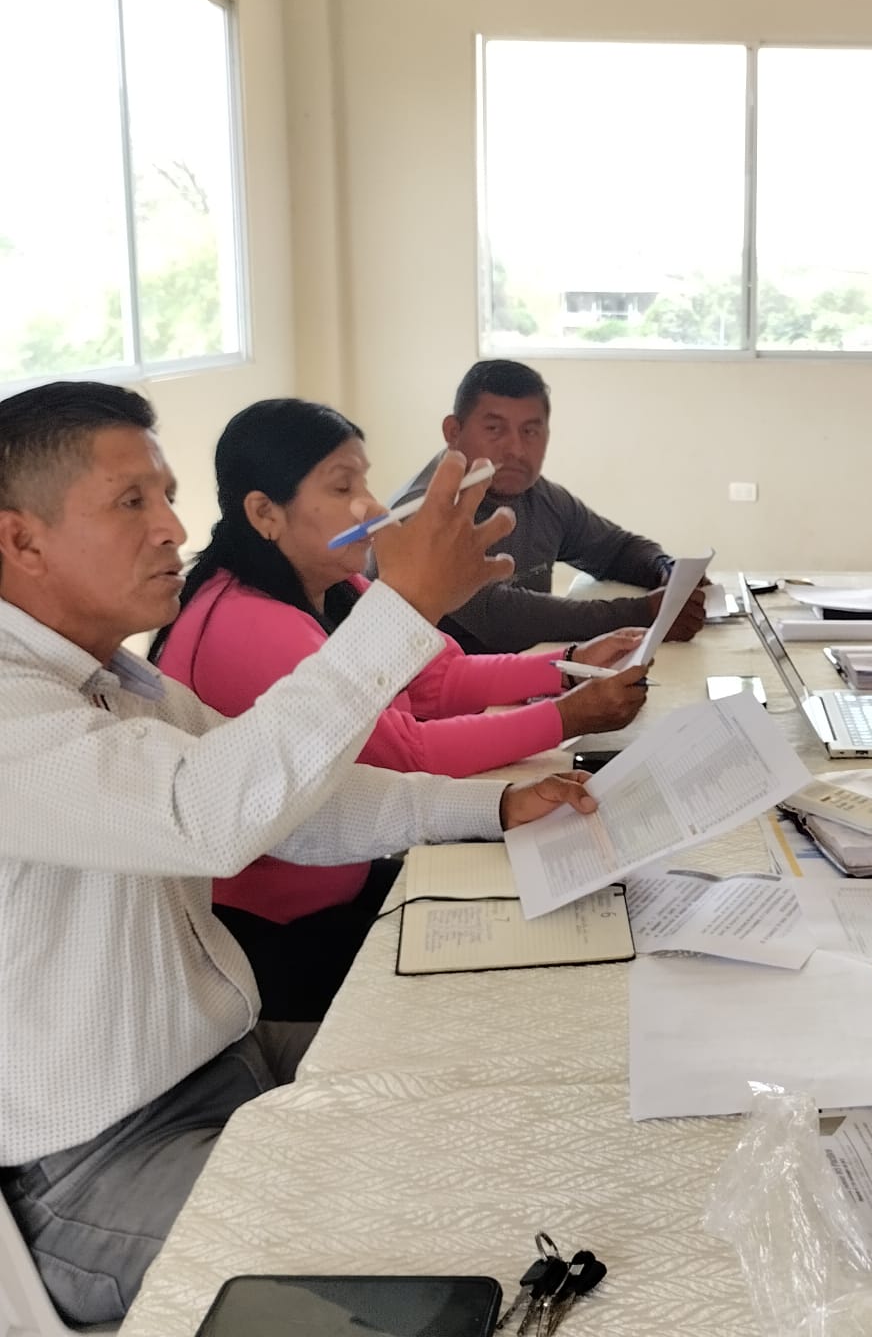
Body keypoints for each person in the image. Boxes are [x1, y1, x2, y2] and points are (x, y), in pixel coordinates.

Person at [0, 381, 597, 1325]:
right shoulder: (13, 708)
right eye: (131, 502)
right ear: (20, 540)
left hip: (224, 1063)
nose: (171, 528)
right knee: (442, 1236)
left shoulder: (112, 678)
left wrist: (490, 807)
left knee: (491, 1098)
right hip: (95, 1162)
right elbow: (209, 815)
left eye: (167, 496)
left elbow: (291, 803)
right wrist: (402, 608)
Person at [151, 398, 650, 1021]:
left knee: (546, 907)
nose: (373, 508)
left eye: (365, 482)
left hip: (346, 878)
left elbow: (439, 677)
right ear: (265, 513)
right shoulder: (248, 622)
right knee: (511, 974)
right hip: (276, 936)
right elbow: (403, 752)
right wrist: (567, 717)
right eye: (342, 488)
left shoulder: (335, 583)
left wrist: (570, 663)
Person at [392, 360, 706, 652]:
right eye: (494, 429)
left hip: (522, 677)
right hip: (432, 693)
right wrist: (642, 613)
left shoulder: (540, 496)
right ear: (453, 432)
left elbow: (615, 549)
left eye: (530, 431)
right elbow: (501, 619)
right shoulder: (417, 516)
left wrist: (667, 570)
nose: (516, 450)